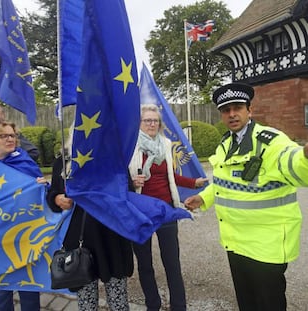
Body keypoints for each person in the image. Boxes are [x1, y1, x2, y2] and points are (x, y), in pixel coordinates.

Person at [184, 82, 308, 311]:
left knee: (268, 305)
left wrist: (305, 157)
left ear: (249, 110)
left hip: (266, 248)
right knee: (247, 304)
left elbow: (294, 165)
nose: (232, 114)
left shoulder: (271, 142)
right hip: (236, 244)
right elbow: (224, 182)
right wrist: (203, 198)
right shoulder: (226, 144)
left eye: (237, 107)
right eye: (226, 110)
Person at [128, 104, 207, 311]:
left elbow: (170, 175)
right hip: (140, 213)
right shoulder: (130, 146)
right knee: (145, 265)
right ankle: (152, 304)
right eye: (147, 120)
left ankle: (179, 306)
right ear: (140, 123)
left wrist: (193, 183)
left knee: (172, 263)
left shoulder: (165, 144)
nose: (152, 124)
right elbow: (119, 177)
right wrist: (131, 182)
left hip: (166, 211)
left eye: (155, 120)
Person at [46, 129, 134, 311]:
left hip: (112, 238)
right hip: (79, 240)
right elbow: (52, 195)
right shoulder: (63, 162)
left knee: (118, 300)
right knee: (86, 301)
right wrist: (57, 199)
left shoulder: (115, 161)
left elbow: (129, 195)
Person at [0, 118, 45, 311]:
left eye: (12, 135)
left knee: (27, 285)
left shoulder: (24, 161)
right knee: (0, 287)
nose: (10, 139)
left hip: (21, 235)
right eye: (3, 135)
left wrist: (42, 187)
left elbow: (40, 196)